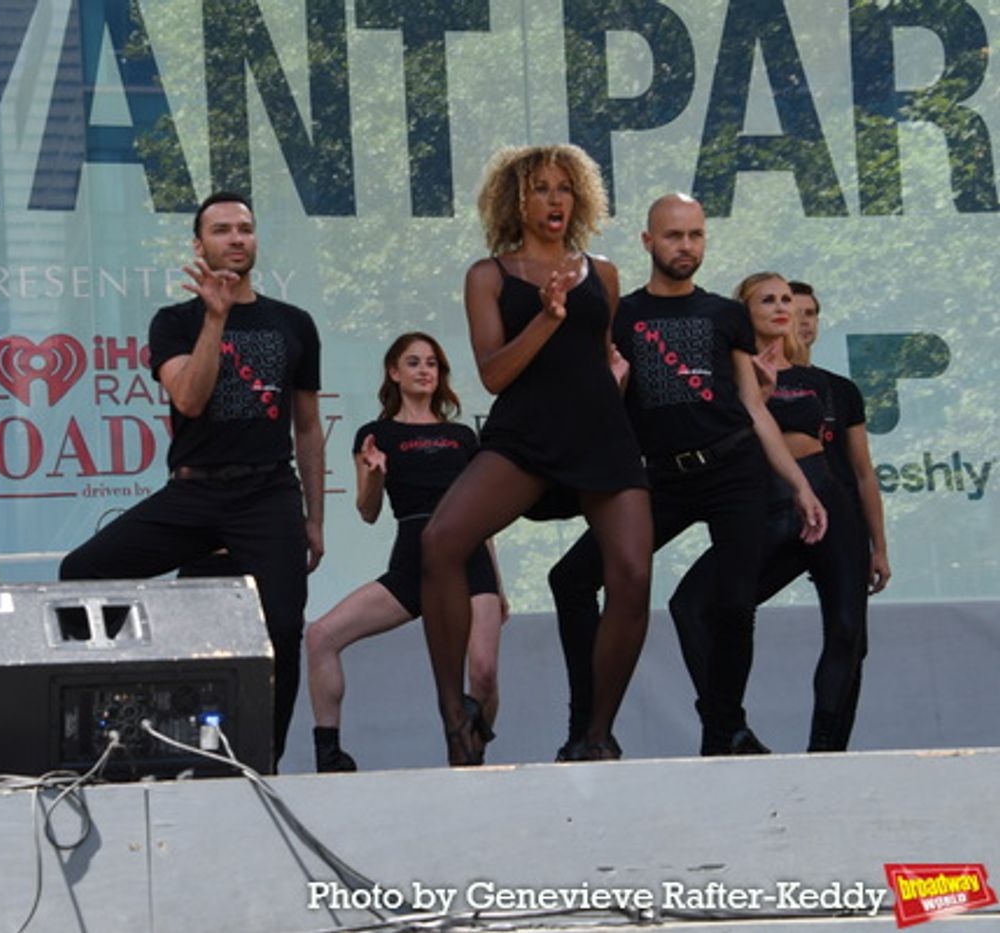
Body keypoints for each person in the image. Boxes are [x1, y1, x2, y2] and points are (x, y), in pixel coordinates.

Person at [548, 195, 828, 758]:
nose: (686, 246)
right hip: (661, 478)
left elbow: (752, 407)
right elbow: (598, 407)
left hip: (734, 470)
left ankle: (724, 731)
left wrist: (800, 486)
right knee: (571, 579)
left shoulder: (726, 314)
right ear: (649, 241)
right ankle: (587, 728)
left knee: (735, 605)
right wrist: (614, 387)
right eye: (674, 236)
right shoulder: (622, 314)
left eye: (696, 235)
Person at [57, 192, 325, 766]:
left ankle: (266, 762)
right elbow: (189, 398)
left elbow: (307, 428)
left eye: (245, 228)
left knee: (282, 627)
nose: (236, 238)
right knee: (82, 572)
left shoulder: (294, 323)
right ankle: (112, 733)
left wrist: (315, 519)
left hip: (267, 493)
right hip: (195, 491)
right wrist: (215, 319)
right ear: (199, 244)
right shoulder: (175, 321)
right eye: (221, 230)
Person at [420, 145, 653, 765]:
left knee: (632, 576)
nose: (555, 200)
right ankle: (455, 718)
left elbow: (598, 357)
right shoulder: (488, 275)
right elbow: (494, 374)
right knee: (440, 542)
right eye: (541, 188)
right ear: (515, 201)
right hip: (526, 434)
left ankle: (596, 735)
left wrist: (615, 381)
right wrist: (547, 318)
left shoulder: (603, 273)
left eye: (564, 188)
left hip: (600, 433)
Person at [669, 273, 869, 751]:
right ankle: (729, 728)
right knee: (691, 605)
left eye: (787, 301)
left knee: (848, 631)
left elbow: (859, 471)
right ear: (743, 311)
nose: (783, 308)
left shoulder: (821, 382)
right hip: (764, 506)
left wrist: (877, 544)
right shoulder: (725, 375)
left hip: (825, 499)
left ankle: (825, 753)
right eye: (769, 300)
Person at [306, 333, 505, 772]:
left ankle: (472, 757)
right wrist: (375, 475)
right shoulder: (375, 435)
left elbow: (483, 514)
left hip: (470, 562)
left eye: (432, 363)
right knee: (320, 636)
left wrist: (498, 582)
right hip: (413, 563)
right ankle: (329, 754)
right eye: (413, 362)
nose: (424, 370)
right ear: (394, 372)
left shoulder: (462, 436)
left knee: (484, 672)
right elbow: (367, 510)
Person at [792, 280, 890, 597]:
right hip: (782, 519)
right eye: (794, 313)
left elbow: (863, 473)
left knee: (848, 624)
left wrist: (879, 548)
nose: (804, 322)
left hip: (841, 520)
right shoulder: (755, 383)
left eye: (810, 313)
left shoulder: (842, 389)